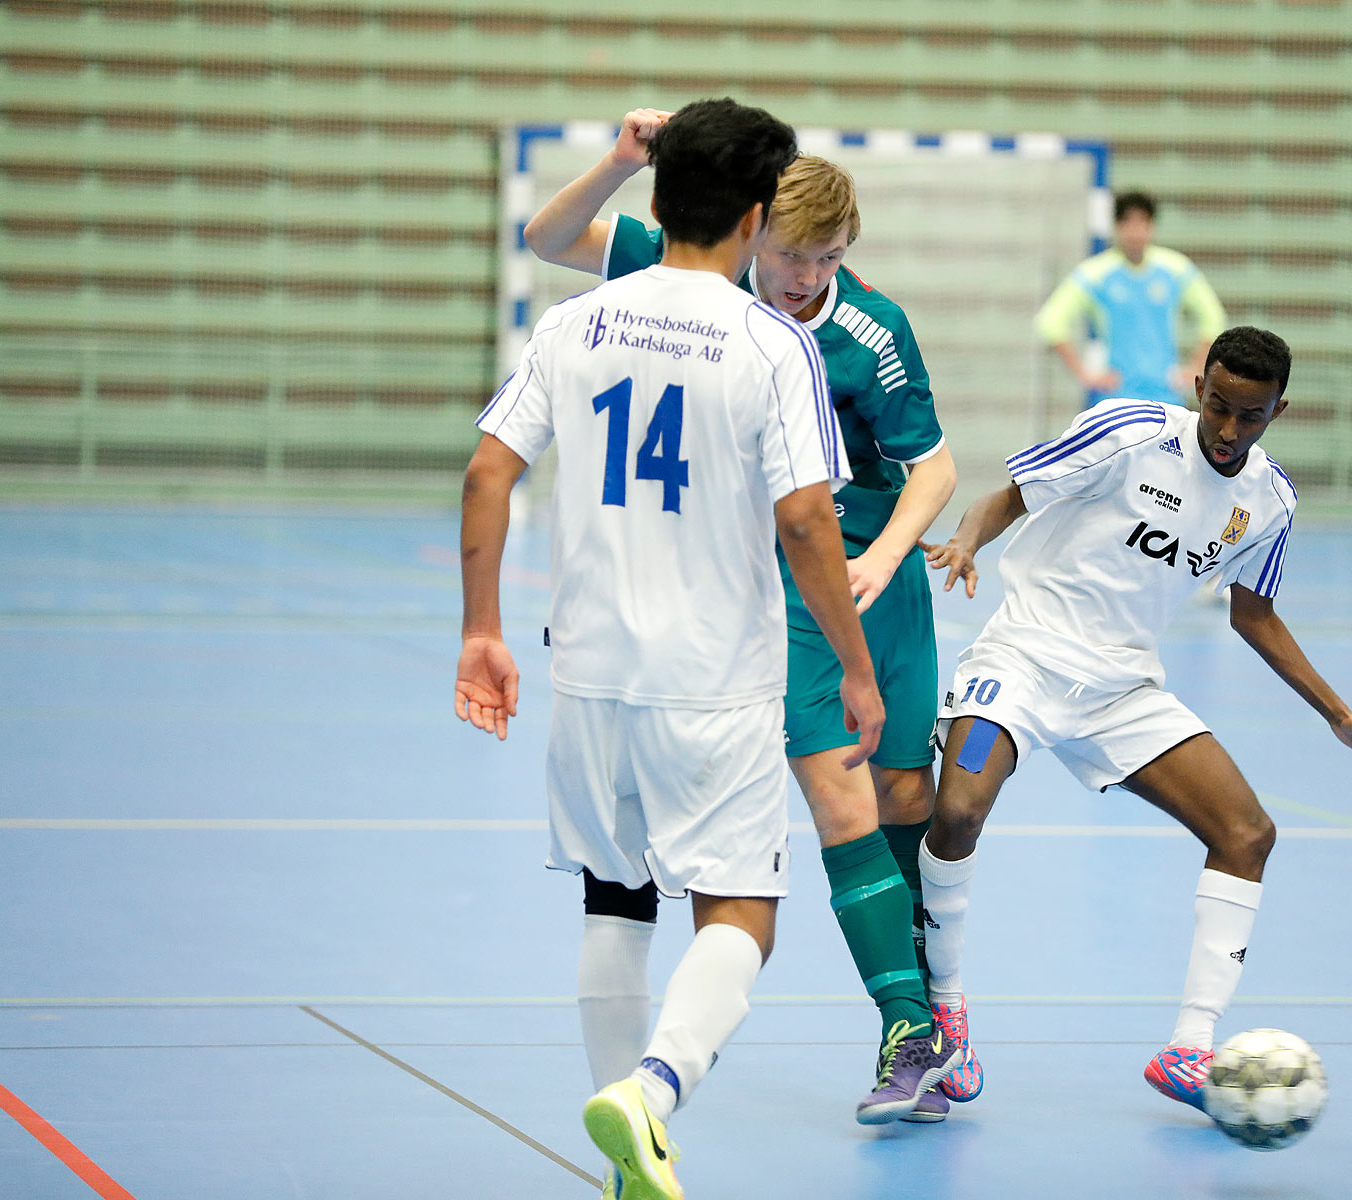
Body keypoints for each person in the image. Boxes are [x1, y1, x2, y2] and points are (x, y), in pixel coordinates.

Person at [456, 98, 900, 1200]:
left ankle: (624, 1169)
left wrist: (480, 631)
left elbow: (487, 474)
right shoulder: (775, 343)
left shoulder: (577, 321)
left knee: (615, 896)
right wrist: (853, 665)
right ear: (758, 218)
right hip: (713, 682)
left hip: (587, 669)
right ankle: (651, 1096)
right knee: (742, 908)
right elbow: (806, 522)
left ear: (656, 204)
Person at [524, 109, 969, 1122]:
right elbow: (549, 241)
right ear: (751, 228)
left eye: (830, 259)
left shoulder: (873, 329)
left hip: (876, 586)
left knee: (909, 802)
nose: (807, 276)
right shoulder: (695, 276)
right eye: (792, 255)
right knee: (841, 802)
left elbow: (933, 465)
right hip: (791, 591)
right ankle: (907, 1025)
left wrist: (887, 556)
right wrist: (618, 162)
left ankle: (934, 1017)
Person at [917, 326, 1352, 1114]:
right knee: (957, 811)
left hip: (1124, 688)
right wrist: (969, 541)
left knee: (1248, 834)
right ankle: (946, 1015)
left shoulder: (1270, 501)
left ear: (1279, 411)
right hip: (1023, 657)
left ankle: (1192, 1047)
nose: (1227, 429)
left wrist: (1339, 716)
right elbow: (1010, 492)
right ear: (1199, 388)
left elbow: (1255, 616)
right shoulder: (1132, 431)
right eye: (1217, 405)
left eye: (1250, 416)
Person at [1035, 189, 1228, 410]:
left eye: (1143, 222)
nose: (1136, 232)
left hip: (1166, 397)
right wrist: (1084, 374)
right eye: (1128, 223)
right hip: (1115, 399)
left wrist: (1196, 366)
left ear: (1152, 225)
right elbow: (1049, 322)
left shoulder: (1176, 268)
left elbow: (1213, 317)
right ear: (1117, 226)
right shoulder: (1095, 273)